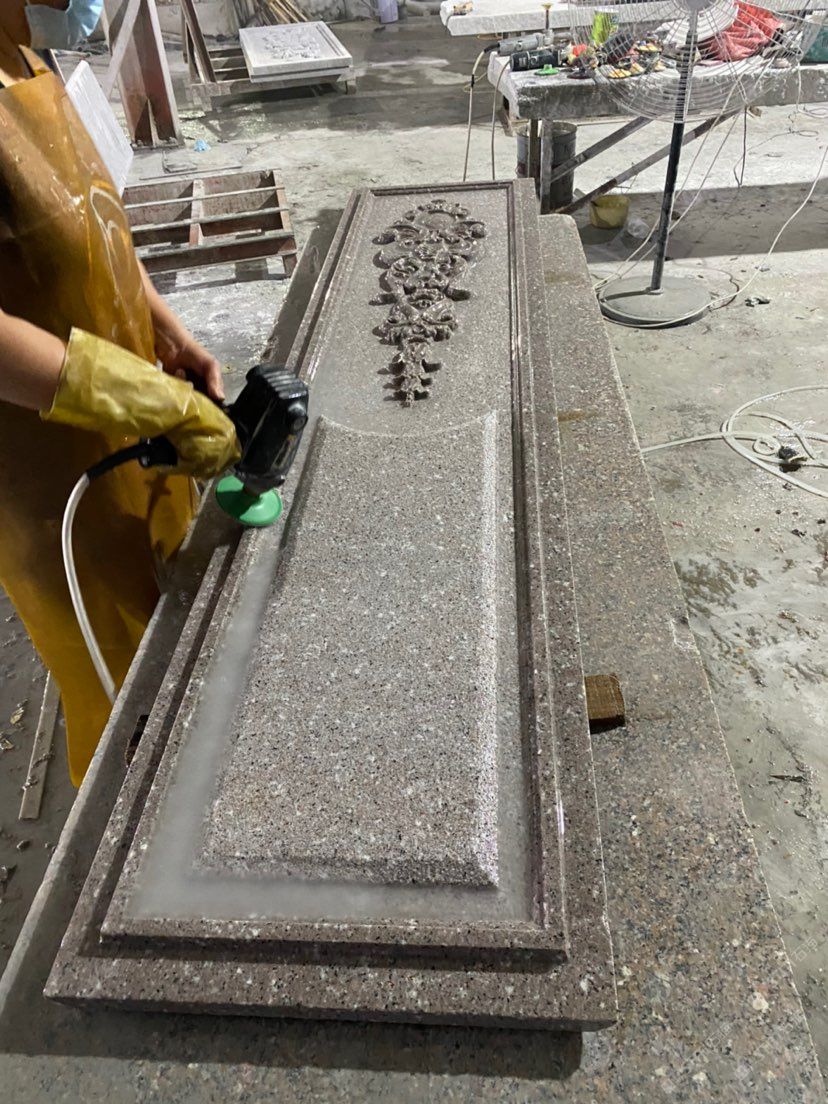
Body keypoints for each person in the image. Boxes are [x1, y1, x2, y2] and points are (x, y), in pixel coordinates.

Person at [0, 2, 240, 785]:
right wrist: (145, 400)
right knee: (125, 696)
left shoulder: (25, 60)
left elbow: (92, 217)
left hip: (132, 425)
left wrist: (165, 332)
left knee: (182, 634)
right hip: (50, 477)